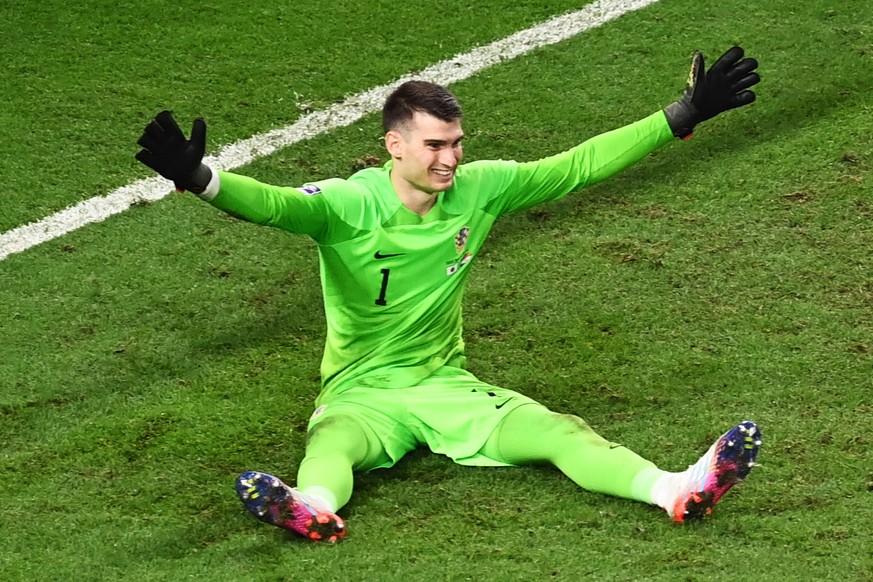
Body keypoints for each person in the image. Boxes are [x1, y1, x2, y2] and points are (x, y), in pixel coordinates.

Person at [136, 46, 763, 543]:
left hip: (444, 385)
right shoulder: (350, 204)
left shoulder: (479, 189)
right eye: (435, 145)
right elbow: (271, 205)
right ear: (395, 145)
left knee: (558, 431)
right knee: (332, 445)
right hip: (362, 393)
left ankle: (677, 488)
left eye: (456, 142)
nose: (450, 159)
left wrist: (682, 116)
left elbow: (577, 165)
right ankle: (311, 508)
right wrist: (198, 176)